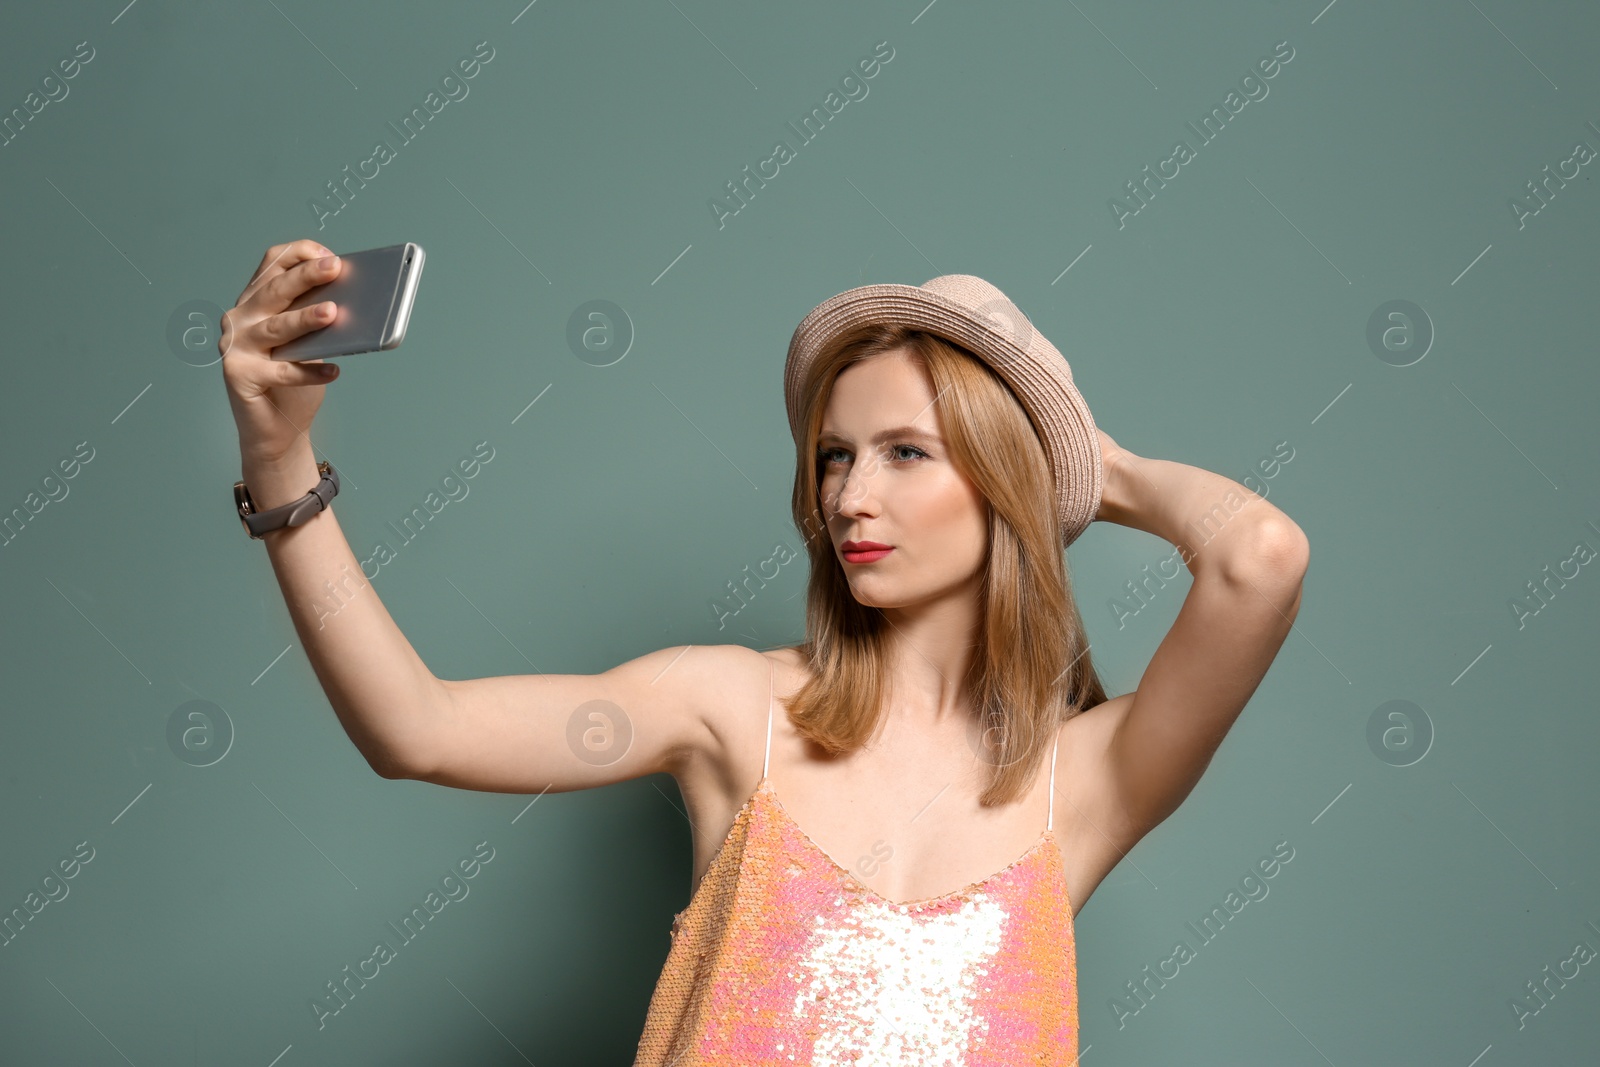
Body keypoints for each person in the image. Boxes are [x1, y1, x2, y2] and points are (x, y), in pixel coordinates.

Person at [220, 241, 1310, 1066]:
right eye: (834, 454)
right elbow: (420, 728)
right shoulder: (735, 708)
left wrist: (1082, 462)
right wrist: (279, 459)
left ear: (1000, 477)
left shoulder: (1081, 782)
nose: (850, 494)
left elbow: (1260, 556)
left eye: (905, 451)